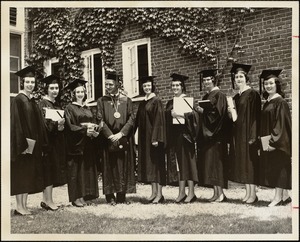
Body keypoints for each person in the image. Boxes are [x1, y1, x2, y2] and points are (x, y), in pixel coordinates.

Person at [11, 66, 48, 215]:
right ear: (23, 82)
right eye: (28, 82)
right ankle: (19, 206)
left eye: (32, 82)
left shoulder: (32, 100)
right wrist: (22, 144)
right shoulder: (18, 100)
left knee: (27, 175)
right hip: (23, 145)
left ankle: (24, 206)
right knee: (20, 175)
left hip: (32, 144)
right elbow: (16, 123)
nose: (30, 85)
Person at [97, 72, 136, 205]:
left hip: (122, 137)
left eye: (110, 84)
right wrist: (110, 135)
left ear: (117, 84)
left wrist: (122, 133)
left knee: (123, 165)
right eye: (106, 84)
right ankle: (110, 196)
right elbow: (99, 119)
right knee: (109, 166)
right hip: (108, 138)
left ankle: (121, 195)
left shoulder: (126, 100)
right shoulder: (101, 101)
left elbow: (132, 118)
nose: (107, 86)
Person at [227, 63, 261, 204]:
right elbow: (235, 119)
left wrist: (253, 136)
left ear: (246, 78)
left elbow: (256, 117)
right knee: (244, 164)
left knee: (250, 164)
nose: (238, 79)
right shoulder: (236, 96)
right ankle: (248, 193)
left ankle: (253, 194)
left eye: (241, 76)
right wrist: (230, 114)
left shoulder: (252, 94)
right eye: (236, 77)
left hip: (249, 135)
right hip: (239, 135)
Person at [64, 79, 100, 207]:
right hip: (76, 144)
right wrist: (85, 129)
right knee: (76, 171)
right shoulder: (69, 108)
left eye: (82, 91)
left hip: (88, 144)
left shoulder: (87, 107)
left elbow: (94, 120)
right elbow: (70, 127)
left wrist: (94, 129)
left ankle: (85, 196)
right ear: (73, 93)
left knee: (86, 170)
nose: (80, 94)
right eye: (77, 92)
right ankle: (76, 198)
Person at [259, 69, 291, 207]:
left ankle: (277, 197)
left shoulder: (280, 102)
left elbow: (281, 124)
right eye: (266, 83)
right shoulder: (268, 101)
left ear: (277, 84)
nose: (268, 86)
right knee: (278, 167)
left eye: (271, 83)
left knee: (280, 167)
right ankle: (285, 195)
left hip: (278, 141)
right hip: (270, 139)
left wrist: (273, 141)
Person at [196, 69, 229, 202]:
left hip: (216, 137)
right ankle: (215, 193)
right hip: (207, 137)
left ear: (213, 80)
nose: (206, 82)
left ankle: (221, 194)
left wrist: (204, 112)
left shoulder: (219, 95)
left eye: (208, 80)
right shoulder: (206, 96)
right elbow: (206, 115)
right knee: (211, 166)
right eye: (204, 80)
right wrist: (201, 112)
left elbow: (219, 115)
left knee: (217, 166)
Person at [165, 73, 198, 203]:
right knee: (179, 165)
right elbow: (165, 119)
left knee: (188, 164)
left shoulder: (188, 100)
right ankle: (181, 192)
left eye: (178, 85)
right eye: (173, 85)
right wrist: (170, 114)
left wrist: (181, 115)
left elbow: (195, 118)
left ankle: (191, 193)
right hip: (175, 137)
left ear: (182, 86)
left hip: (187, 136)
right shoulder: (170, 102)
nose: (175, 87)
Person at [135, 76, 166, 204]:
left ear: (152, 86)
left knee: (157, 166)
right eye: (144, 86)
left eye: (148, 86)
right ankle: (153, 193)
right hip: (145, 139)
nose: (147, 88)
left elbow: (159, 121)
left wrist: (156, 138)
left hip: (154, 139)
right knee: (150, 167)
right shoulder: (143, 102)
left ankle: (160, 194)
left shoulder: (156, 101)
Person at [38, 74, 67, 211]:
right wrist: (57, 124)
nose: (55, 90)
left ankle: (47, 200)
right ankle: (48, 201)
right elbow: (44, 124)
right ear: (47, 89)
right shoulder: (43, 104)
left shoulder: (57, 104)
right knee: (48, 169)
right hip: (47, 142)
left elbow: (58, 125)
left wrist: (61, 126)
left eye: (57, 88)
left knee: (52, 169)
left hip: (56, 141)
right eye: (52, 88)